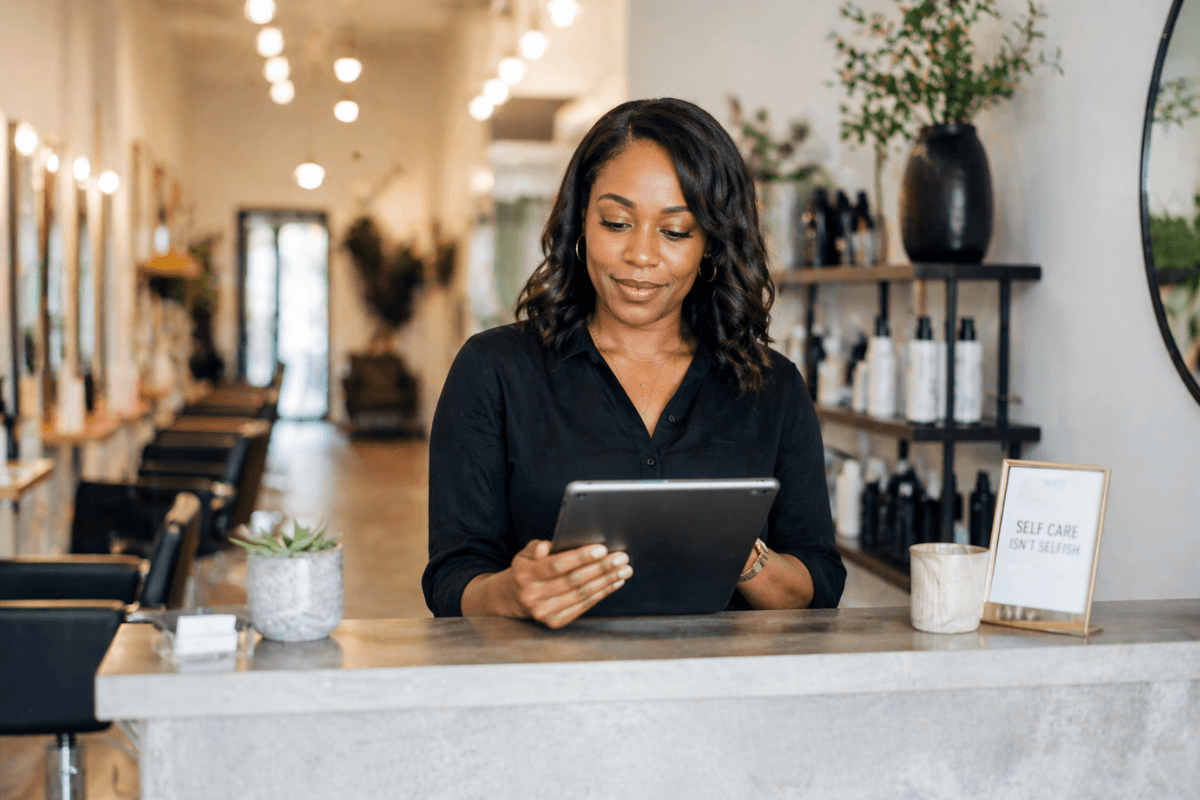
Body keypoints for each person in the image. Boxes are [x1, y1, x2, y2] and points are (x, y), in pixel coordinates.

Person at [423, 98, 845, 628]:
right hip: (548, 690)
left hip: (724, 692)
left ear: (711, 244)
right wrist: (511, 592)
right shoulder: (494, 371)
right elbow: (451, 579)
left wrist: (737, 550)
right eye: (617, 223)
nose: (641, 256)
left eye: (675, 231)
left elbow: (819, 583)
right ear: (581, 221)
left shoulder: (772, 385)